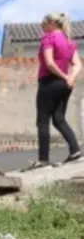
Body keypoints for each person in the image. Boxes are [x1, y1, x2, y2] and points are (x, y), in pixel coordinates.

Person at [26, 12, 82, 170]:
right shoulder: (69, 42)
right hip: (65, 86)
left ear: (51, 23)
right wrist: (70, 78)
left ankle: (43, 160)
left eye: (44, 22)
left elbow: (49, 63)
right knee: (59, 119)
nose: (42, 25)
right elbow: (78, 64)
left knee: (42, 121)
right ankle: (75, 151)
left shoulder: (48, 38)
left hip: (49, 82)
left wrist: (64, 76)